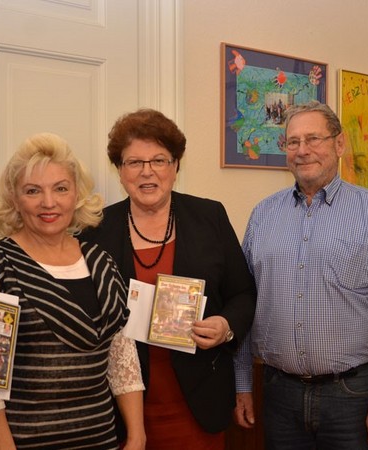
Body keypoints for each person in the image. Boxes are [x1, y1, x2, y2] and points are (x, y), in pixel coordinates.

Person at [234, 100, 368, 449]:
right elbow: (243, 302)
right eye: (293, 142)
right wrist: (242, 383)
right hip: (279, 393)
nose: (303, 151)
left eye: (314, 139)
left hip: (352, 395)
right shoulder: (263, 215)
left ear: (339, 144)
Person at [80, 108, 256, 449]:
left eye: (159, 160)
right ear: (119, 170)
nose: (148, 172)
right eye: (134, 162)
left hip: (199, 404)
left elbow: (244, 294)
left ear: (175, 166)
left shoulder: (210, 217)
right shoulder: (95, 230)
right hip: (120, 409)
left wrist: (225, 325)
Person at [0, 132, 145, 450]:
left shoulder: (101, 261)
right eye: (32, 191)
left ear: (76, 194)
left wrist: (137, 436)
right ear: (14, 198)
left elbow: (122, 358)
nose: (49, 202)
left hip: (102, 440)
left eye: (61, 188)